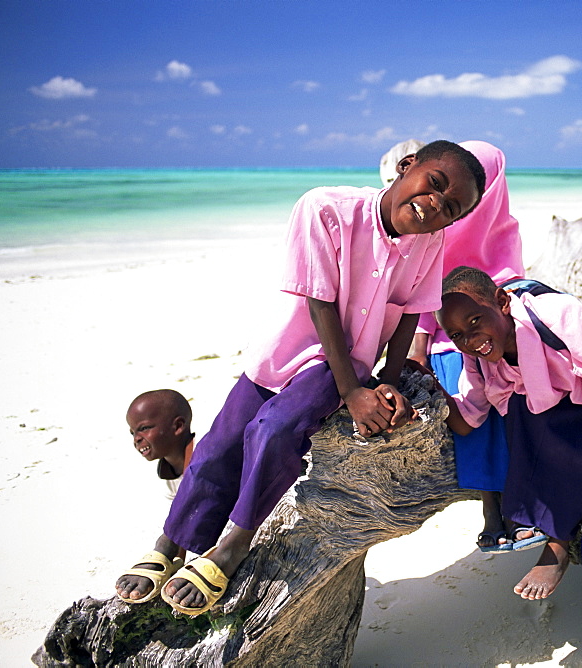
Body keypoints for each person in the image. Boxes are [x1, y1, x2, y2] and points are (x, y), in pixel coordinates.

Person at [114, 140, 486, 616]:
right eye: (435, 184)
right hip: (288, 350)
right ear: (406, 166)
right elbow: (319, 300)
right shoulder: (326, 208)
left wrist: (385, 380)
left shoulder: (429, 243)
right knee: (219, 444)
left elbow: (410, 309)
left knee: (275, 431)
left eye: (451, 208)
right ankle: (171, 544)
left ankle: (235, 542)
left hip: (343, 360)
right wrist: (354, 394)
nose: (437, 204)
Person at [431, 266, 582, 600]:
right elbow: (469, 418)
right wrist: (431, 390)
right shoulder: (477, 358)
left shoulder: (556, 314)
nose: (470, 340)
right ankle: (551, 532)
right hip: (547, 415)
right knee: (521, 419)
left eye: (474, 322)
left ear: (502, 302)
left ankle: (558, 544)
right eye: (456, 335)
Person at [408, 140, 525, 553]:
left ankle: (514, 502)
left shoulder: (504, 230)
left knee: (506, 391)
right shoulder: (441, 224)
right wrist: (418, 347)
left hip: (490, 336)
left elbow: (510, 296)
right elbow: (420, 291)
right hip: (445, 338)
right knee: (468, 398)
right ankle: (493, 507)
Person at [116, 389, 196, 604]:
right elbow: (180, 521)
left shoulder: (203, 456)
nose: (136, 439)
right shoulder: (169, 471)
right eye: (132, 432)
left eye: (144, 429)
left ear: (178, 427)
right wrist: (176, 564)